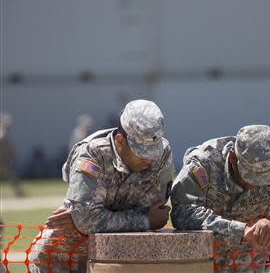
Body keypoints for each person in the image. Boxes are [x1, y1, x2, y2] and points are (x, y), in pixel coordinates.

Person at [28, 100, 175, 273]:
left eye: (153, 151)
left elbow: (155, 210)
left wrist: (91, 218)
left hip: (120, 252)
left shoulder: (163, 154)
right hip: (64, 257)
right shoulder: (92, 154)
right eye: (141, 152)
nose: (149, 159)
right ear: (120, 140)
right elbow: (86, 219)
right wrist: (144, 221)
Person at [170, 125, 270, 272]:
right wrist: (240, 230)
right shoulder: (204, 163)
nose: (254, 185)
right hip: (203, 266)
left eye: (263, 180)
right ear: (232, 158)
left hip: (250, 265)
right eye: (249, 177)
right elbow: (182, 212)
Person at [0, 113, 25, 197]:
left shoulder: (4, 133)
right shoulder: (2, 134)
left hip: (4, 161)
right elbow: (7, 148)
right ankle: (19, 193)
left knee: (12, 177)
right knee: (12, 176)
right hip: (2, 161)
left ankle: (19, 193)